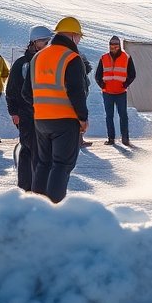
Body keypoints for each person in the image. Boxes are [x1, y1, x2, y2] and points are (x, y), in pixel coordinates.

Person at [31, 16, 89, 203]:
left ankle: (36, 206)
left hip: (41, 121)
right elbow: (76, 91)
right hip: (65, 120)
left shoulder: (38, 57)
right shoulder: (71, 57)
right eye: (79, 36)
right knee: (61, 165)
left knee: (43, 164)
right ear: (72, 35)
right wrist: (82, 118)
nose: (79, 40)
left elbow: (26, 92)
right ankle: (54, 208)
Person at [8, 25, 51, 191]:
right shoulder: (21, 64)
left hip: (44, 114)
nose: (47, 44)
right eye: (43, 41)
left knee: (42, 151)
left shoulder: (47, 62)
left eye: (48, 41)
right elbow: (11, 89)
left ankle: (39, 185)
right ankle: (26, 187)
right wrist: (14, 112)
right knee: (28, 149)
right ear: (34, 42)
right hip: (26, 114)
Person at [95, 36, 136, 146]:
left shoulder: (126, 57)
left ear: (120, 46)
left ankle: (125, 138)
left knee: (123, 115)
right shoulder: (103, 58)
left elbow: (132, 74)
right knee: (109, 116)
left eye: (116, 45)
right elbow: (97, 75)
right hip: (107, 92)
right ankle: (111, 138)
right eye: (112, 45)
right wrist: (102, 85)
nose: (114, 47)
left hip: (121, 92)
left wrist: (125, 84)